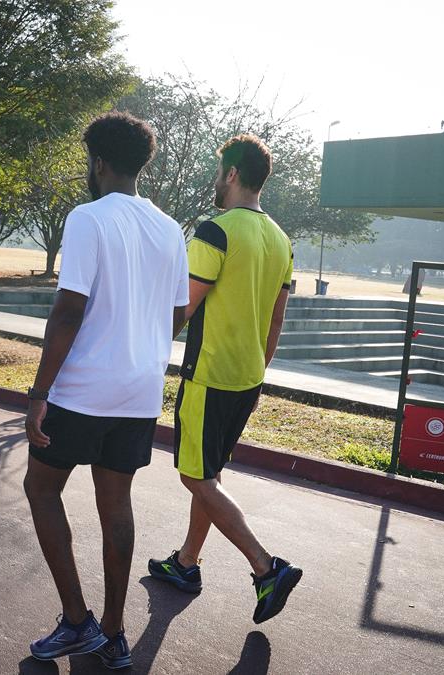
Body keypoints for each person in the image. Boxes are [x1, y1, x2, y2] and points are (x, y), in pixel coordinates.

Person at [24, 111, 189, 669]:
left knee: (41, 488)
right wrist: (140, 349)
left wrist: (38, 393)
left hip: (82, 390)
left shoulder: (88, 217)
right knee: (116, 502)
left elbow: (68, 309)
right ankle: (114, 634)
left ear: (98, 163)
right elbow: (177, 312)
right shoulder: (169, 229)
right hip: (139, 392)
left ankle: (77, 621)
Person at [147, 134, 302, 624]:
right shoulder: (281, 240)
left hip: (209, 376)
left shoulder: (215, 231)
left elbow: (183, 308)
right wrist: (259, 372)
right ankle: (186, 563)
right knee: (210, 473)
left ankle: (266, 568)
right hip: (247, 378)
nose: (217, 180)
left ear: (232, 174)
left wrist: (146, 353)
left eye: (220, 172)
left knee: (194, 475)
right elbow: (277, 319)